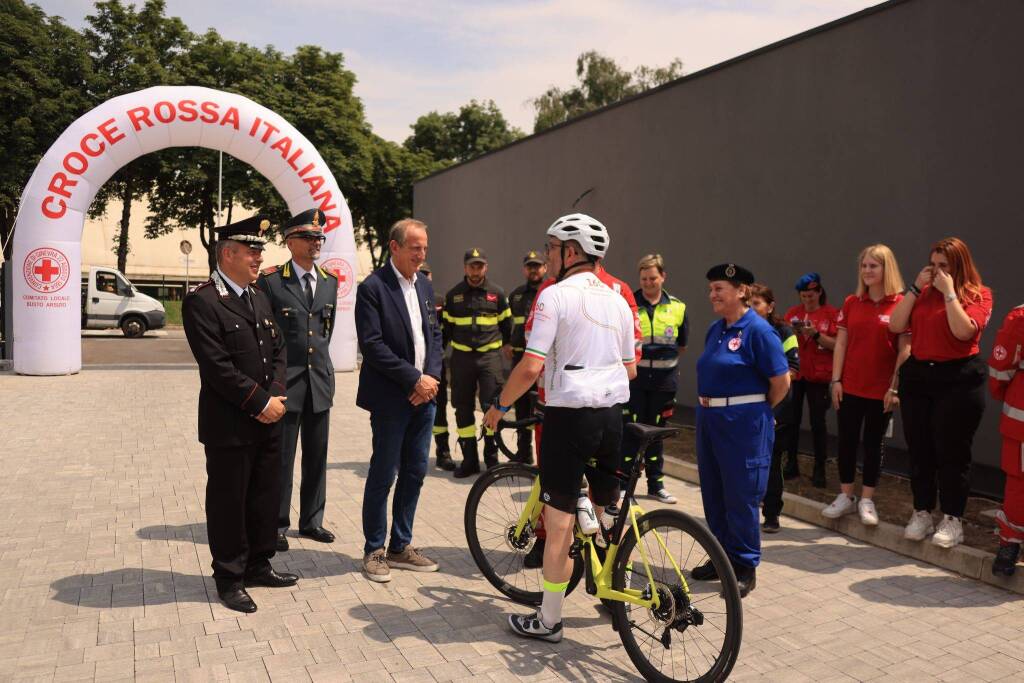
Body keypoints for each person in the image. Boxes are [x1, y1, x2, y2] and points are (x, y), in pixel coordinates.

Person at [482, 213, 637, 642]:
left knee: (561, 526)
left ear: (570, 252)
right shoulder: (619, 298)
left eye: (550, 247)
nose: (546, 255)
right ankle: (614, 591)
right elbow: (632, 369)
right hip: (611, 418)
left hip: (569, 419)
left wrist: (498, 405)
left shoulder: (553, 297)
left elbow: (530, 367)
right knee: (608, 515)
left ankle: (549, 621)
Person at [181, 215, 298, 613]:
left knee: (264, 496)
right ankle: (229, 578)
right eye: (253, 250)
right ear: (227, 253)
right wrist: (261, 402)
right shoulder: (202, 301)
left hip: (268, 417)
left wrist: (277, 396)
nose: (259, 257)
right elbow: (217, 367)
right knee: (229, 502)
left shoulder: (258, 295)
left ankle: (258, 564)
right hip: (230, 424)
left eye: (261, 250)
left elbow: (279, 349)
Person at [691, 263, 790, 598]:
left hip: (743, 424)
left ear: (742, 291)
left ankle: (745, 565)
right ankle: (723, 557)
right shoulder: (715, 330)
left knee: (741, 494)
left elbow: (781, 382)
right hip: (710, 420)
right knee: (715, 492)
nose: (712, 295)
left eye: (719, 288)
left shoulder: (759, 331)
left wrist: (759, 413)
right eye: (711, 289)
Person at [355, 219, 444, 582]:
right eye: (415, 248)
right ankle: (374, 549)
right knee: (384, 472)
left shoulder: (424, 284)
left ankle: (400, 545)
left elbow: (435, 335)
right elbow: (372, 345)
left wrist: (432, 378)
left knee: (415, 472)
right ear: (394, 247)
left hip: (425, 397)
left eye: (424, 248)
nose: (421, 255)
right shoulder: (373, 288)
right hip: (392, 398)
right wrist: (414, 378)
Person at [890, 237, 993, 549]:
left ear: (958, 267)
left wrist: (950, 293)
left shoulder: (979, 294)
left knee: (952, 451)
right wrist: (914, 289)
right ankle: (921, 512)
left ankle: (952, 518)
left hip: (958, 378)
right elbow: (896, 325)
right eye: (932, 265)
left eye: (943, 266)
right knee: (920, 448)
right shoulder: (921, 295)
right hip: (920, 375)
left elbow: (963, 331)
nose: (936, 272)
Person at [257, 209, 338, 552]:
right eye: (308, 237)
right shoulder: (272, 281)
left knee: (317, 456)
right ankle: (276, 523)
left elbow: (325, 333)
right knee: (282, 458)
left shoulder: (331, 281)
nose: (316, 242)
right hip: (285, 385)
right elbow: (265, 336)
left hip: (319, 382)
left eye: (318, 237)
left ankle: (312, 521)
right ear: (291, 242)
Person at [823, 245, 910, 526]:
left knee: (873, 444)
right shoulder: (852, 302)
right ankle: (846, 496)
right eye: (864, 266)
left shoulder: (900, 304)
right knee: (846, 441)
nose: (868, 271)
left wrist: (894, 388)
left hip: (880, 391)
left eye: (874, 266)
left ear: (887, 269)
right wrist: (836, 380)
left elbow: (904, 350)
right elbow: (842, 344)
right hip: (850, 387)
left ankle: (867, 499)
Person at [621, 253, 688, 504]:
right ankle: (623, 484)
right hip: (634, 383)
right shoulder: (628, 304)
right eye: (644, 278)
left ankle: (655, 485)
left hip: (663, 384)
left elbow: (681, 345)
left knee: (657, 435)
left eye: (653, 278)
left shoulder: (678, 307)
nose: (648, 283)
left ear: (663, 277)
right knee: (630, 433)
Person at [442, 248, 513, 477]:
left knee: (491, 406)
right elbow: (446, 331)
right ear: (465, 267)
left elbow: (507, 326)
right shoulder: (453, 296)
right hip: (462, 359)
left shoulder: (497, 293)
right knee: (462, 409)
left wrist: (509, 345)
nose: (476, 270)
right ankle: (469, 460)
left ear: (486, 267)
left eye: (480, 265)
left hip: (489, 359)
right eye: (472, 265)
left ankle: (491, 460)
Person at [749, 283, 799, 533]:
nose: (752, 309)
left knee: (771, 462)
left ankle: (771, 514)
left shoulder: (784, 331)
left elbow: (792, 369)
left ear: (770, 307)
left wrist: (771, 406)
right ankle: (747, 511)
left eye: (757, 304)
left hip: (777, 406)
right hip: (749, 407)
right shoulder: (741, 329)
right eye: (748, 304)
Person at [783, 273, 838, 486]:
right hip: (797, 374)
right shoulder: (793, 314)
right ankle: (791, 463)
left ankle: (819, 468)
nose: (807, 300)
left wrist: (815, 334)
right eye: (803, 296)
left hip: (819, 376)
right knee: (792, 421)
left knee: (818, 423)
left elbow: (837, 345)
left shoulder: (832, 314)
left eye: (811, 296)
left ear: (819, 293)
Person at [987, 304, 1024, 576]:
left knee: (1018, 481)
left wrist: (1003, 390)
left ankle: (1009, 547)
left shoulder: (1021, 315)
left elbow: (1002, 365)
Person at [506, 251, 548, 464]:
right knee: (521, 410)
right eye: (530, 265)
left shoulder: (551, 291)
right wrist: (507, 343)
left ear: (545, 268)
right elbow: (506, 322)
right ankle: (524, 454)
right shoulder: (516, 295)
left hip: (543, 363)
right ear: (524, 269)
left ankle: (546, 457)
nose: (534, 269)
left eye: (537, 265)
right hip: (521, 360)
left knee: (541, 411)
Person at [419, 262, 456, 471]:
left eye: (426, 273)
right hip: (414, 365)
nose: (423, 276)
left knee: (439, 409)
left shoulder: (440, 300)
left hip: (436, 365)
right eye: (420, 273)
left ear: (431, 276)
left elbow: (446, 332)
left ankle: (443, 452)